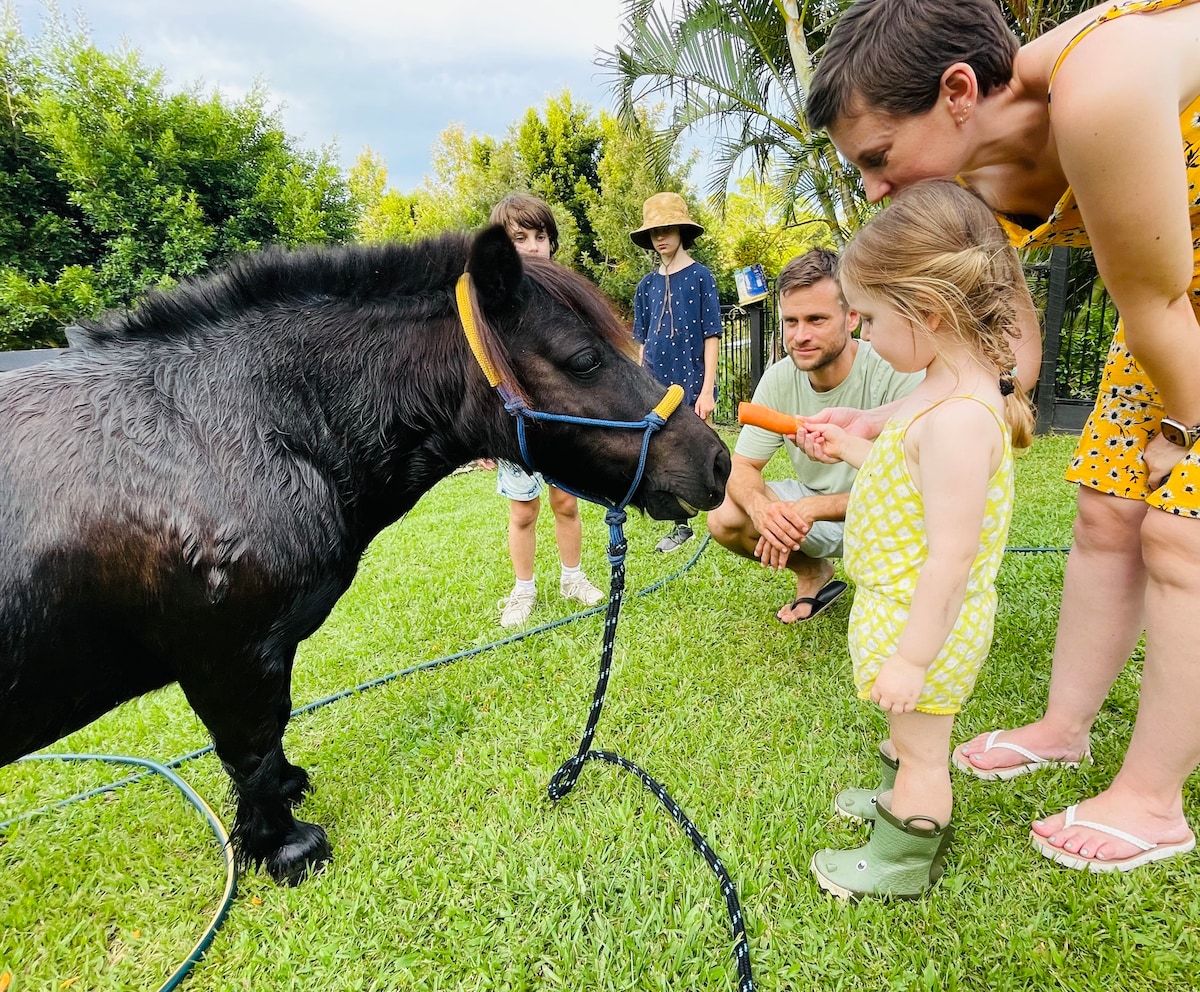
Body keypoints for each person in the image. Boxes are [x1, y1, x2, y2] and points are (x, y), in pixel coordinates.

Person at [807, 0, 1200, 871]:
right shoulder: (975, 182)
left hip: (1175, 312)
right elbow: (1003, 354)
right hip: (1165, 315)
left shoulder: (1097, 88)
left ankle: (1153, 802)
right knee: (1106, 511)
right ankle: (1066, 728)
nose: (872, 188)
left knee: (1182, 534)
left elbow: (1161, 303)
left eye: (877, 158)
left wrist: (1185, 430)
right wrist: (892, 421)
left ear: (957, 92)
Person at [800, 180, 1035, 898]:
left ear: (927, 311)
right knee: (905, 734)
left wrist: (911, 658)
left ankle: (904, 854)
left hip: (923, 621)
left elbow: (952, 557)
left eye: (868, 318)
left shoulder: (962, 419)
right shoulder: (940, 383)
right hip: (896, 606)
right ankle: (892, 794)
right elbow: (906, 474)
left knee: (925, 749)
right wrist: (854, 443)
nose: (862, 334)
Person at [706, 248, 921, 623]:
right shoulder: (778, 378)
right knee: (724, 514)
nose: (800, 336)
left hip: (888, 514)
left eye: (816, 319)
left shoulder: (893, 370)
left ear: (852, 317)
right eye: (791, 321)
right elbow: (742, 466)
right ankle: (813, 573)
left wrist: (811, 509)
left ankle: (909, 596)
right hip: (814, 511)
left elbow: (915, 486)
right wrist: (762, 510)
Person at [486, 193, 605, 627]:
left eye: (541, 236)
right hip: (517, 425)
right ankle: (523, 590)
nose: (534, 246)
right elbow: (485, 368)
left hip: (562, 424)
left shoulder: (564, 296)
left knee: (567, 503)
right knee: (523, 511)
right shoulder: (492, 302)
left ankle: (572, 578)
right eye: (520, 238)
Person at [630, 192, 722, 553]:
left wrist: (708, 389)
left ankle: (719, 514)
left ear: (682, 230)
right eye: (654, 232)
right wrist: (638, 384)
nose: (661, 238)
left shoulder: (702, 277)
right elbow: (642, 338)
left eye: (667, 229)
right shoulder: (645, 286)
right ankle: (680, 525)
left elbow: (711, 335)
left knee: (702, 448)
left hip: (692, 378)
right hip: (654, 379)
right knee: (662, 453)